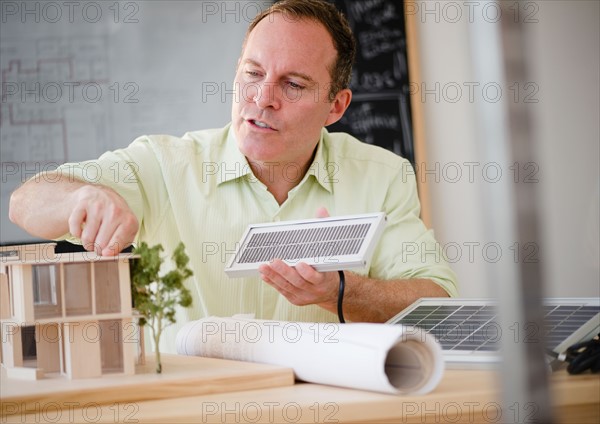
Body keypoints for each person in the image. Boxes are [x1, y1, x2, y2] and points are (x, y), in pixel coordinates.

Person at [9, 0, 457, 350]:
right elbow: (25, 201)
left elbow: (434, 303)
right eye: (253, 74)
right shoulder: (165, 165)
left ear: (336, 107)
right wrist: (82, 198)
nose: (263, 98)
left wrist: (340, 290)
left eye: (293, 85)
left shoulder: (382, 176)